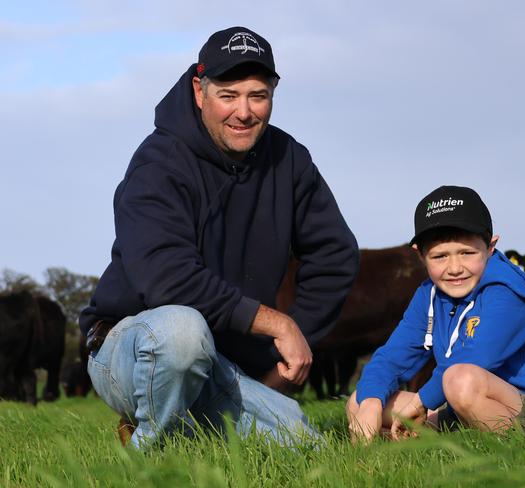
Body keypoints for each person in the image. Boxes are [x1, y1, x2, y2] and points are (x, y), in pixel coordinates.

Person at [79, 26, 359, 448]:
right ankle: (150, 456)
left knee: (304, 447)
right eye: (228, 95)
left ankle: (185, 426)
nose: (244, 112)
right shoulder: (158, 163)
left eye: (258, 95)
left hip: (224, 362)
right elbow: (166, 278)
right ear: (199, 90)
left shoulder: (290, 160)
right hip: (132, 346)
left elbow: (335, 256)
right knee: (182, 332)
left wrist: (292, 342)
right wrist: (276, 322)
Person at [346, 185, 525, 441]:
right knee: (362, 398)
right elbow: (392, 357)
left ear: (491, 246)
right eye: (439, 256)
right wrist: (370, 404)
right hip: (461, 407)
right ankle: (431, 442)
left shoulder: (508, 292)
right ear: (420, 255)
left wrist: (421, 403)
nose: (454, 268)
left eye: (467, 253)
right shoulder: (429, 295)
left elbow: (477, 357)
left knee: (460, 379)